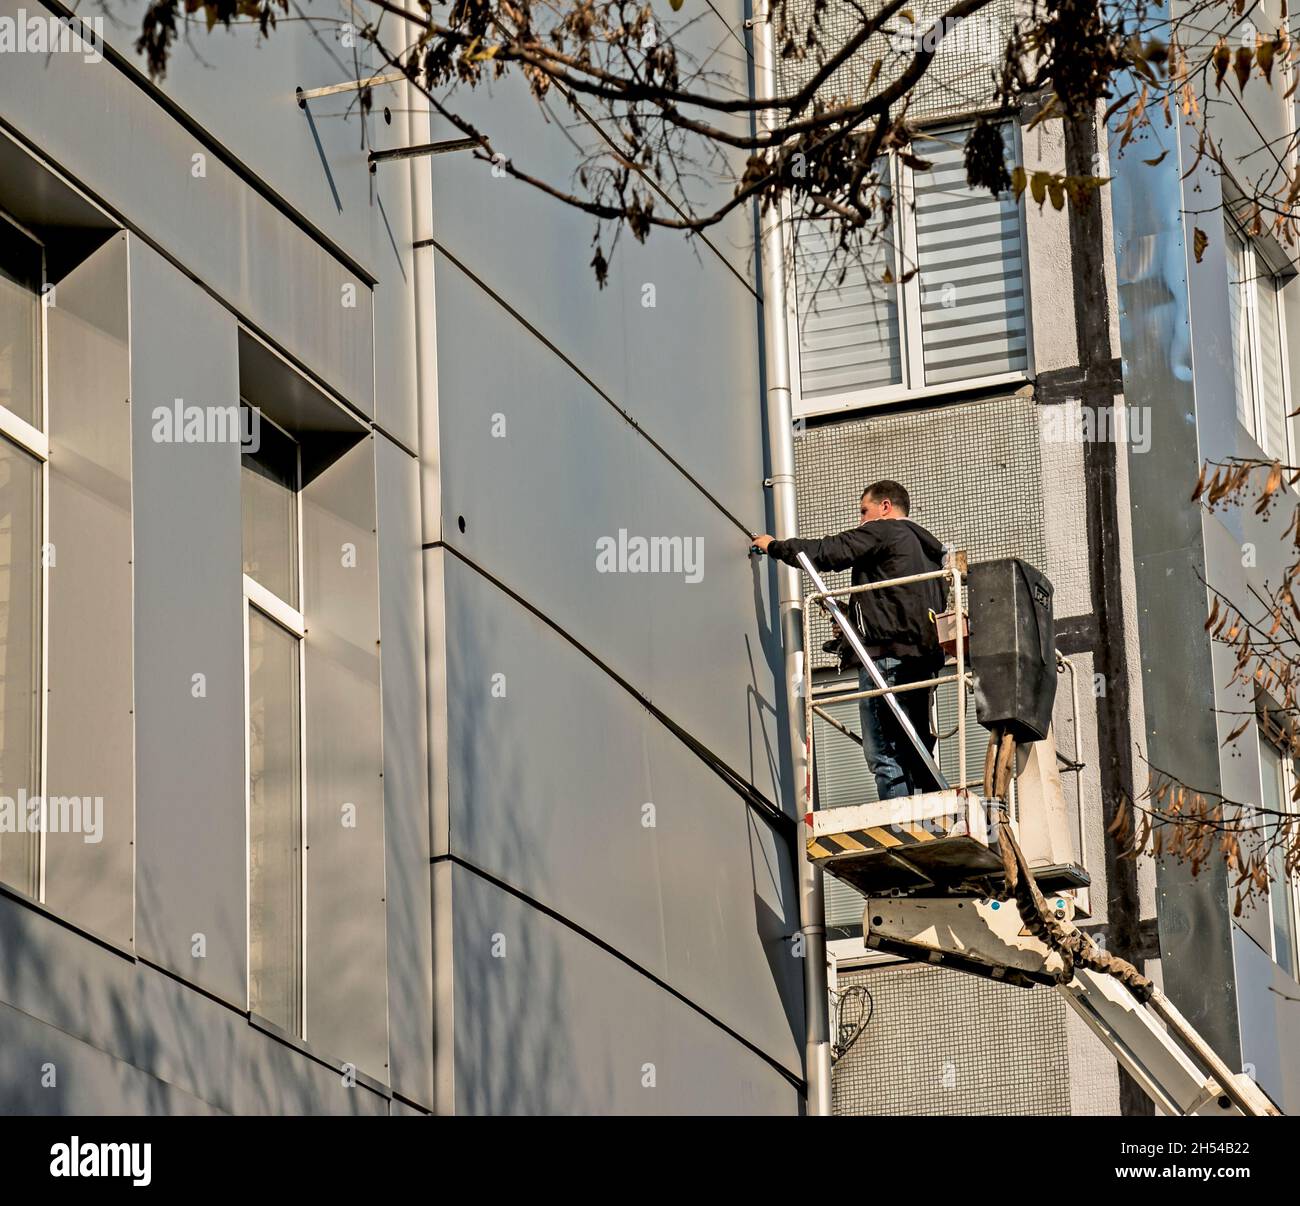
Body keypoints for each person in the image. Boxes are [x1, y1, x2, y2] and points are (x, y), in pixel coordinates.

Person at [752, 480, 947, 800]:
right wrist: (853, 616)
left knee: (884, 752)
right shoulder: (928, 552)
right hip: (921, 663)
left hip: (883, 659)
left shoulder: (884, 530)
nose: (861, 521)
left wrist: (775, 546)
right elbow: (899, 602)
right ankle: (927, 817)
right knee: (915, 749)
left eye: (864, 511)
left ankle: (901, 826)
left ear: (885, 507)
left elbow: (827, 552)